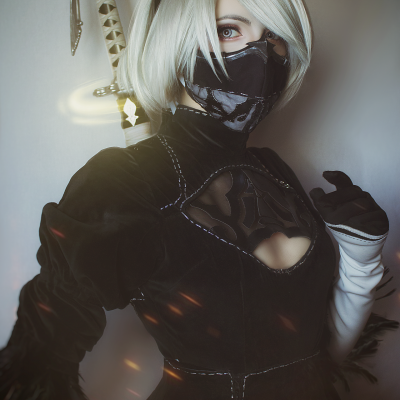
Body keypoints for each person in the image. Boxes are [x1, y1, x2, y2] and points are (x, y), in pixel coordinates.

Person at [0, 0, 395, 399]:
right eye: (228, 30)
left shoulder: (273, 170)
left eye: (274, 36)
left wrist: (361, 260)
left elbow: (318, 359)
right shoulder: (124, 182)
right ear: (176, 42)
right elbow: (37, 364)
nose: (262, 55)